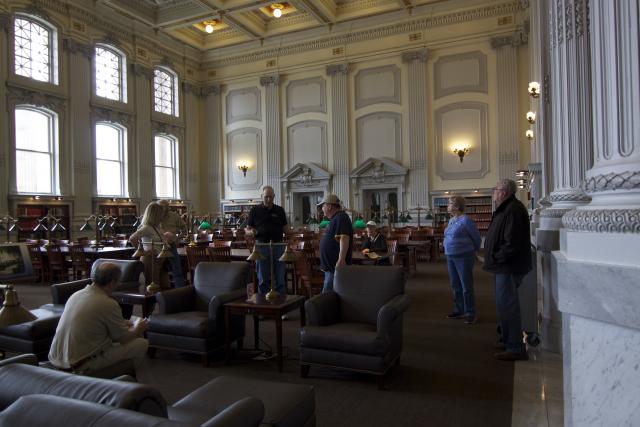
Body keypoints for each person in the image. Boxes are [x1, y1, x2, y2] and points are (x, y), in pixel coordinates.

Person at [49, 262, 148, 375]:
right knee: (141, 343)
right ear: (112, 283)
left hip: (56, 360)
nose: (119, 284)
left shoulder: (76, 294)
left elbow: (97, 320)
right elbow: (123, 338)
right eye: (118, 281)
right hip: (79, 365)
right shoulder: (108, 303)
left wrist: (127, 323)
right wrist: (138, 327)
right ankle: (115, 378)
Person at [483, 179, 532, 361]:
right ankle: (507, 339)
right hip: (502, 266)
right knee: (503, 305)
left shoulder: (513, 210)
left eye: (495, 190)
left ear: (503, 192)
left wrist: (495, 257)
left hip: (508, 266)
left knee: (508, 306)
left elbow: (512, 243)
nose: (493, 193)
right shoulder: (507, 209)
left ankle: (515, 346)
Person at [443, 195, 481, 324]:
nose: (448, 205)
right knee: (455, 285)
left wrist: (474, 251)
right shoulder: (451, 220)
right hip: (450, 256)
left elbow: (476, 238)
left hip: (464, 256)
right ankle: (459, 309)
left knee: (466, 285)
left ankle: (470, 312)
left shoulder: (466, 221)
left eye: (450, 203)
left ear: (457, 206)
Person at [246, 186, 288, 295]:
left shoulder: (279, 210)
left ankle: (281, 304)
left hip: (279, 245)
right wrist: (251, 232)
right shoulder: (254, 210)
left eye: (270, 197)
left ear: (274, 196)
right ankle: (263, 304)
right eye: (266, 197)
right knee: (263, 278)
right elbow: (248, 229)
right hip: (261, 246)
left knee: (280, 277)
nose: (268, 199)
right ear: (261, 197)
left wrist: (299, 231)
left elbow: (286, 230)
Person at [129, 202, 174, 290]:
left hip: (161, 260)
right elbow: (132, 238)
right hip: (151, 260)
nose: (163, 215)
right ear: (156, 214)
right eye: (161, 213)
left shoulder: (158, 226)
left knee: (165, 286)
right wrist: (144, 252)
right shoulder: (146, 227)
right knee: (153, 287)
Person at [318, 194, 353, 292]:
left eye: (323, 205)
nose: (322, 208)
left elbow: (344, 238)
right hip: (331, 268)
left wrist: (341, 259)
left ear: (329, 206)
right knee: (329, 298)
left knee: (327, 299)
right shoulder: (335, 218)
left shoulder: (341, 217)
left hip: (334, 268)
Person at [157, 200, 186, 288]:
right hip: (158, 246)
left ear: (168, 207)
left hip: (171, 245)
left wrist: (178, 238)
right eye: (161, 207)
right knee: (158, 270)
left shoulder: (174, 216)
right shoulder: (155, 217)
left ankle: (180, 291)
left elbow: (184, 228)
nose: (164, 209)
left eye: (166, 207)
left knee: (177, 269)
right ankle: (160, 291)